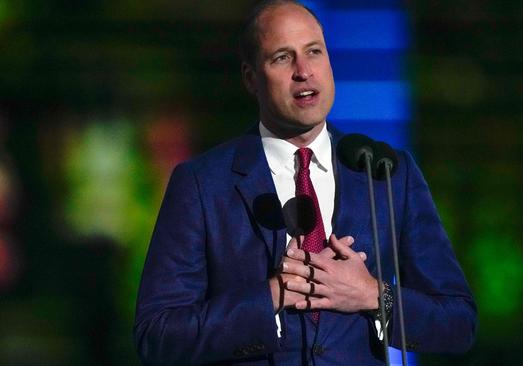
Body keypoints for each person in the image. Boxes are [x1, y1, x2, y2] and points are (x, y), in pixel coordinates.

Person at [134, 1, 477, 365]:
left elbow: (458, 323)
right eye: (282, 58)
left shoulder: (386, 173)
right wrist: (273, 295)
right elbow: (158, 335)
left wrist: (373, 296)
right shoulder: (202, 184)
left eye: (314, 52)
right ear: (251, 78)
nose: (304, 72)